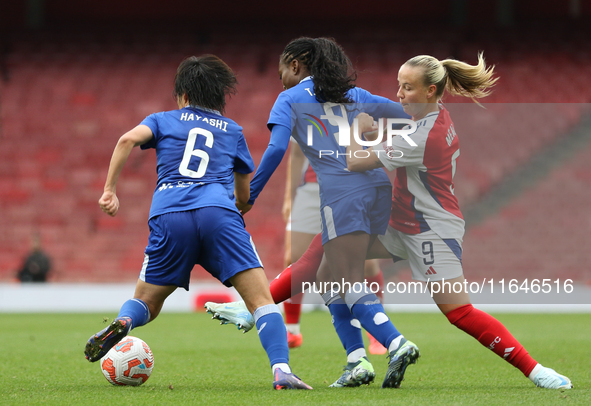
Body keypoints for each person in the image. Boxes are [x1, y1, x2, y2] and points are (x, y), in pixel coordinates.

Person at [207, 52, 573, 390]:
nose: (399, 94)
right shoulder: (432, 115)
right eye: (398, 84)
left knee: (459, 312)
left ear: (430, 90)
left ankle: (536, 371)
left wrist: (358, 128)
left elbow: (355, 160)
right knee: (321, 263)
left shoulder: (421, 136)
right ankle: (327, 345)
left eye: (407, 87)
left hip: (430, 229)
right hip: (397, 218)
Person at [83, 55, 312, 391]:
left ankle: (124, 320)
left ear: (184, 96)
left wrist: (109, 191)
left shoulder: (162, 120)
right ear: (220, 98)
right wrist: (235, 210)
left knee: (147, 300)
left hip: (169, 213)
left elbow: (126, 140)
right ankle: (281, 371)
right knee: (262, 301)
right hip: (218, 213)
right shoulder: (233, 130)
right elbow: (244, 195)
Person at [208, 37, 419, 389]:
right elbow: (407, 117)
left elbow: (276, 150)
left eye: (281, 73)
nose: (280, 81)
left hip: (342, 195)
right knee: (323, 274)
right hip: (378, 191)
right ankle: (357, 360)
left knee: (345, 278)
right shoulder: (356, 95)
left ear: (295, 65)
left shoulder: (289, 99)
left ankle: (396, 343)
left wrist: (250, 195)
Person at [282, 142, 387, 354]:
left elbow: (376, 144)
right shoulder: (302, 109)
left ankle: (376, 331)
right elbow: (295, 156)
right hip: (312, 188)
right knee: (293, 257)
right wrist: (289, 197)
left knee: (365, 263)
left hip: (353, 185)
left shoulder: (360, 108)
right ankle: (292, 329)